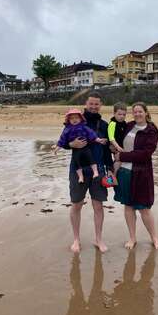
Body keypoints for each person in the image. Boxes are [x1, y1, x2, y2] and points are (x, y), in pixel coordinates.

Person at [63, 91, 113, 253]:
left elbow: (106, 151)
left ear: (101, 105)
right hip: (77, 169)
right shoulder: (74, 121)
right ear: (86, 104)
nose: (93, 106)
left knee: (98, 206)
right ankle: (76, 239)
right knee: (76, 204)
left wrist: (110, 170)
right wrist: (72, 145)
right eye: (91, 103)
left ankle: (98, 239)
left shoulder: (104, 125)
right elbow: (63, 141)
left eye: (96, 104)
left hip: (98, 169)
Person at [114, 102, 158, 250]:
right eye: (134, 112)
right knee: (128, 206)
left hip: (141, 173)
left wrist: (122, 156)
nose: (137, 114)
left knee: (144, 208)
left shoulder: (151, 131)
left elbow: (145, 154)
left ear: (146, 112)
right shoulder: (129, 126)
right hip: (124, 172)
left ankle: (154, 238)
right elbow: (115, 137)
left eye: (140, 112)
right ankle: (132, 238)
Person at [53, 108, 106, 183]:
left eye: (76, 118)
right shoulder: (67, 129)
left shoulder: (84, 127)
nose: (74, 120)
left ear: (80, 118)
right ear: (68, 120)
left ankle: (95, 172)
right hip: (76, 150)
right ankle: (80, 176)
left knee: (91, 158)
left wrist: (99, 140)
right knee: (76, 162)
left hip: (86, 148)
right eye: (72, 118)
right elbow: (62, 139)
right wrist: (57, 148)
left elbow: (92, 134)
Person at [107, 102, 127, 175]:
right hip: (115, 146)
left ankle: (112, 175)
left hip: (122, 146)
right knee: (118, 161)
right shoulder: (112, 123)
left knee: (120, 161)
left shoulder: (124, 123)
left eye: (124, 115)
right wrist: (117, 147)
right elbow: (111, 138)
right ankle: (112, 177)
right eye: (119, 114)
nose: (122, 116)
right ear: (114, 113)